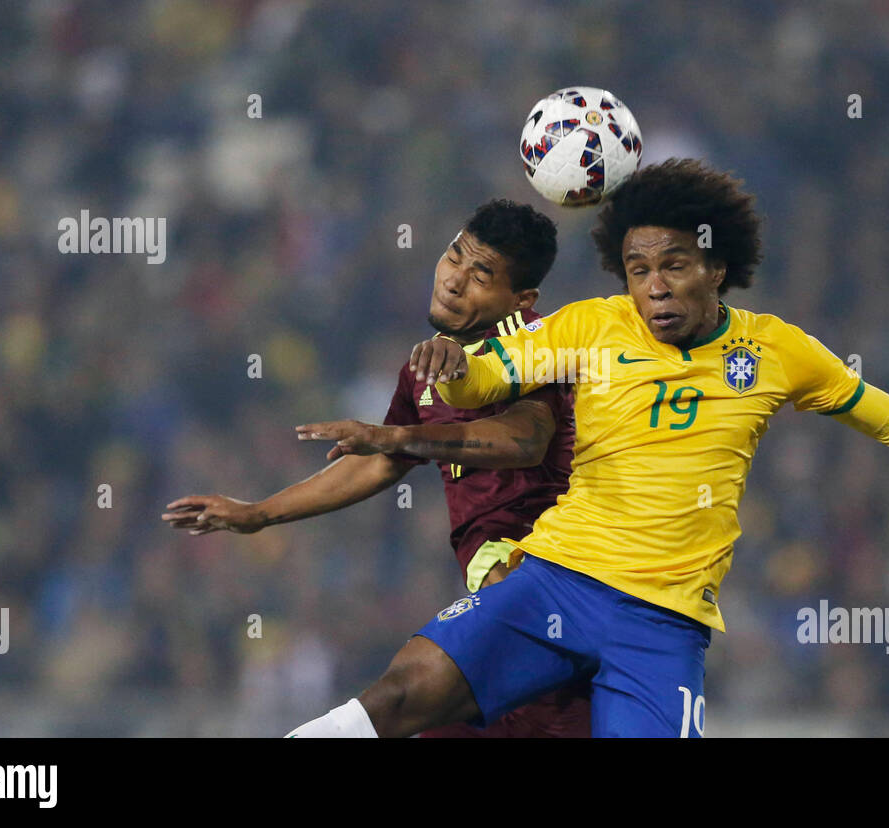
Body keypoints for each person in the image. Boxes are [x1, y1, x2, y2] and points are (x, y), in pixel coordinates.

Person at [287, 158, 889, 738]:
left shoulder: (775, 352)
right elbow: (479, 384)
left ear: (716, 269)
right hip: (557, 580)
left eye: (675, 264)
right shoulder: (589, 329)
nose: (653, 285)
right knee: (399, 697)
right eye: (636, 267)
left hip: (665, 627)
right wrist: (450, 364)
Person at [162, 199, 589, 737]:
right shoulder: (426, 367)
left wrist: (400, 436)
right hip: (502, 609)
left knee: (398, 698)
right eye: (455, 255)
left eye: (480, 275)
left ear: (521, 298)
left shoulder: (537, 349)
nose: (454, 280)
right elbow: (383, 462)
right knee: (403, 707)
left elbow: (524, 440)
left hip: (547, 592)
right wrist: (259, 513)